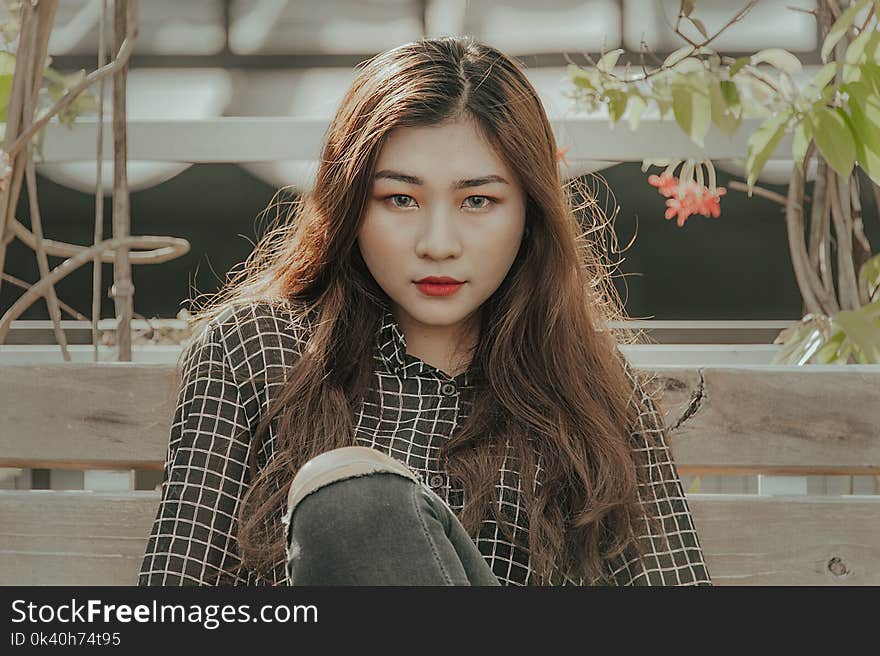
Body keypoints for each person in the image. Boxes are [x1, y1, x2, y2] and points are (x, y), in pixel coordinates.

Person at [138, 35, 712, 587]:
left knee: (354, 500)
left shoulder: (590, 385)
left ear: (529, 213)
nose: (438, 243)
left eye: (478, 200)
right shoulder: (254, 352)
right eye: (401, 199)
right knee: (353, 504)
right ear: (351, 205)